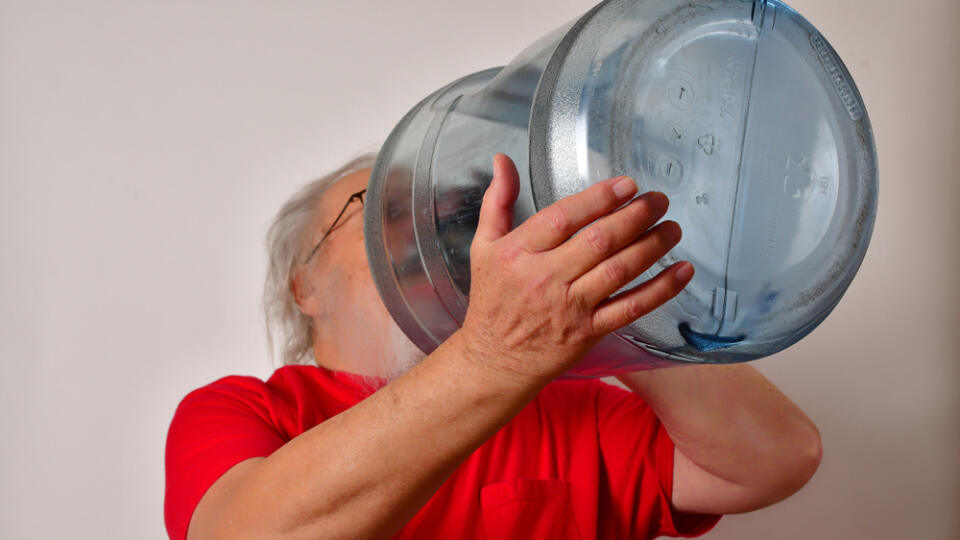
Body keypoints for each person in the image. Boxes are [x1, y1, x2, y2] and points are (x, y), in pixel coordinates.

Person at [165, 153, 822, 539]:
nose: (424, 235)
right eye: (379, 212)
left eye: (440, 214)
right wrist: (494, 356)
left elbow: (776, 458)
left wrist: (599, 297)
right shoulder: (240, 413)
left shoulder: (576, 410)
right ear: (304, 284)